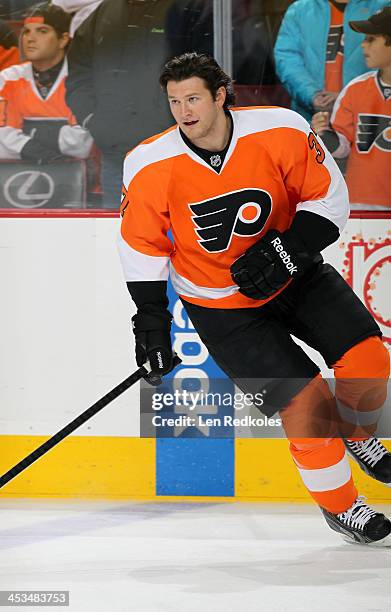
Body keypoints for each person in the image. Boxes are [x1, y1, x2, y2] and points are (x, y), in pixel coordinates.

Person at [118, 52, 391, 544]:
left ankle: (358, 432)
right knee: (307, 409)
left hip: (297, 277)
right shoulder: (147, 163)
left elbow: (328, 196)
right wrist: (152, 324)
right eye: (175, 101)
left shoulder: (280, 128)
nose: (184, 110)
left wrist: (288, 250)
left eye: (194, 97)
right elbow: (141, 247)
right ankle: (343, 507)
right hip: (222, 309)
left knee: (369, 358)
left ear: (221, 94)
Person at [65, 0, 172, 209]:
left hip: (173, 153)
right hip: (116, 156)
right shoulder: (103, 12)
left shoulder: (182, 8)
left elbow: (203, 73)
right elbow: (78, 74)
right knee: (116, 234)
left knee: (176, 235)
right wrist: (92, 119)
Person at [312, 6, 391, 209]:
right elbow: (341, 150)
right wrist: (324, 134)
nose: (363, 46)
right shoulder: (355, 90)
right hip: (361, 206)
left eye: (371, 39)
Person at [0, 2, 93, 163]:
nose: (31, 38)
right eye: (27, 31)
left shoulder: (82, 80)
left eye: (42, 31)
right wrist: (36, 148)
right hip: (12, 176)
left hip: (77, 176)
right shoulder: (8, 78)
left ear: (63, 39)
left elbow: (81, 144)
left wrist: (25, 132)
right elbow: (2, 140)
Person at [274, 0, 389, 121]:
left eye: (370, 39)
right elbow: (287, 60)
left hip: (366, 119)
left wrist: (347, 98)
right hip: (310, 118)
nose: (365, 44)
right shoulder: (300, 10)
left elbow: (387, 62)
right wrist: (312, 95)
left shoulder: (382, 6)